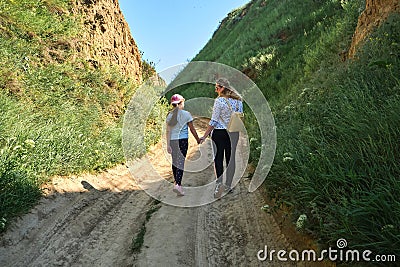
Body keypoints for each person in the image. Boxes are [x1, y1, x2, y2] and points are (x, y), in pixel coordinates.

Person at [199, 78, 243, 198]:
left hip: (219, 133)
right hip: (233, 133)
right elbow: (240, 117)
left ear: (223, 88)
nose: (216, 89)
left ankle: (219, 185)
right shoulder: (239, 101)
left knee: (218, 159)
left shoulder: (219, 101)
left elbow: (213, 121)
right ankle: (228, 186)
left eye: (217, 87)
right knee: (231, 159)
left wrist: (204, 135)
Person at [166, 94, 200, 196]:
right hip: (183, 141)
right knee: (180, 162)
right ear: (181, 103)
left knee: (175, 162)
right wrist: (198, 139)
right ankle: (178, 185)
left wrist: (168, 144)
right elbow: (192, 129)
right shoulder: (186, 114)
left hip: (173, 141)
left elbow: (168, 131)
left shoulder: (169, 115)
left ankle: (176, 183)